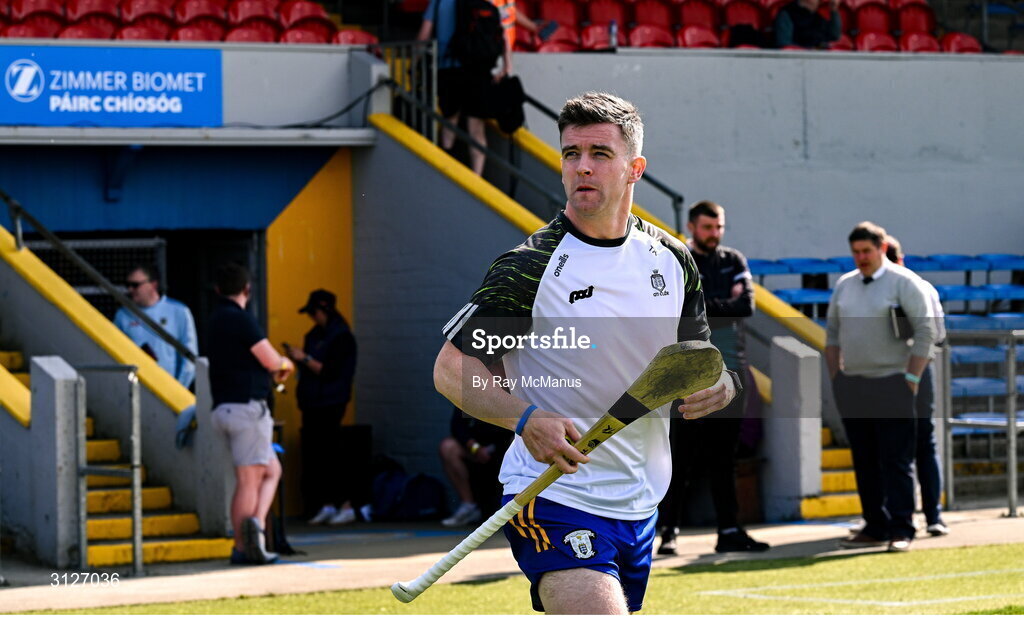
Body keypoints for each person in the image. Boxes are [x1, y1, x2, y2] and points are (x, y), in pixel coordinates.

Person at [434, 92, 741, 614]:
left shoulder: (673, 260)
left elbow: (695, 356)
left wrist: (722, 385)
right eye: (571, 153)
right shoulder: (528, 268)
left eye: (600, 154)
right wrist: (524, 418)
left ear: (634, 169)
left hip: (641, 501)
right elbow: (451, 369)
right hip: (555, 495)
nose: (582, 167)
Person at [657, 201, 768, 555]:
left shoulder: (733, 260)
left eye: (718, 227)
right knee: (680, 457)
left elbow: (745, 306)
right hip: (686, 374)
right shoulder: (676, 257)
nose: (714, 234)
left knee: (725, 458)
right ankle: (669, 532)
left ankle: (730, 529)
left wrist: (704, 304)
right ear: (692, 226)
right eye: (707, 227)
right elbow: (675, 312)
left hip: (732, 374)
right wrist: (722, 304)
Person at [827, 222, 937, 553]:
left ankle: (902, 527)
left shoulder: (905, 283)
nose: (861, 257)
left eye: (866, 251)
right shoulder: (845, 285)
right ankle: (874, 525)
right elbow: (831, 334)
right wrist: (837, 377)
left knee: (896, 459)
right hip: (855, 386)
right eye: (856, 252)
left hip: (893, 382)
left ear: (882, 249)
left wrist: (911, 379)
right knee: (864, 459)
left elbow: (927, 331)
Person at [207, 263, 294, 565]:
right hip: (246, 409)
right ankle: (243, 546)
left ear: (218, 289)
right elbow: (272, 361)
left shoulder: (215, 319)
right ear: (247, 290)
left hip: (223, 407)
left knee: (271, 470)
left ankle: (253, 529)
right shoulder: (241, 320)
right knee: (249, 479)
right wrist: (287, 364)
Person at [885, 236, 950, 537]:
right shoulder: (868, 287)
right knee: (890, 447)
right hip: (883, 376)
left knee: (923, 441)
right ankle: (896, 515)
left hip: (916, 372)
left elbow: (936, 333)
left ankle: (933, 515)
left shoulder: (919, 287)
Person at [284, 289, 359, 526]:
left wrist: (303, 358)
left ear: (324, 309)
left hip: (331, 402)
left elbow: (330, 371)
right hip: (312, 402)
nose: (312, 317)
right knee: (315, 456)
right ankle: (325, 504)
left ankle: (345, 504)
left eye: (314, 312)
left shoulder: (342, 337)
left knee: (331, 453)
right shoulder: (314, 335)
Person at [417, 0, 510, 176]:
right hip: (479, 70)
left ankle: (446, 172)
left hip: (449, 69)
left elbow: (424, 35)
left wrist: (415, 63)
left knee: (449, 122)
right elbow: (501, 33)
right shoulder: (483, 3)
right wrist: (506, 66)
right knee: (476, 128)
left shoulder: (438, 3)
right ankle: (477, 177)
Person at [114, 263, 198, 388]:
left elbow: (190, 356)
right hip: (136, 388)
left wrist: (179, 388)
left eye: (135, 285)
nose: (130, 290)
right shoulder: (123, 315)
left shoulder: (178, 311)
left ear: (153, 285)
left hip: (169, 388)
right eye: (128, 285)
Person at [440, 406, 513, 526]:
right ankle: (469, 507)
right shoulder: (472, 391)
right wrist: (475, 448)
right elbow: (457, 426)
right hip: (476, 450)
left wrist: (497, 449)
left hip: (504, 450)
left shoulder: (515, 391)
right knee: (448, 447)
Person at [773, 0, 841, 49]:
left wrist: (834, 11)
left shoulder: (818, 16)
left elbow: (834, 36)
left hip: (817, 59)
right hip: (795, 61)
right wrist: (810, 50)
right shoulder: (787, 13)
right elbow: (784, 43)